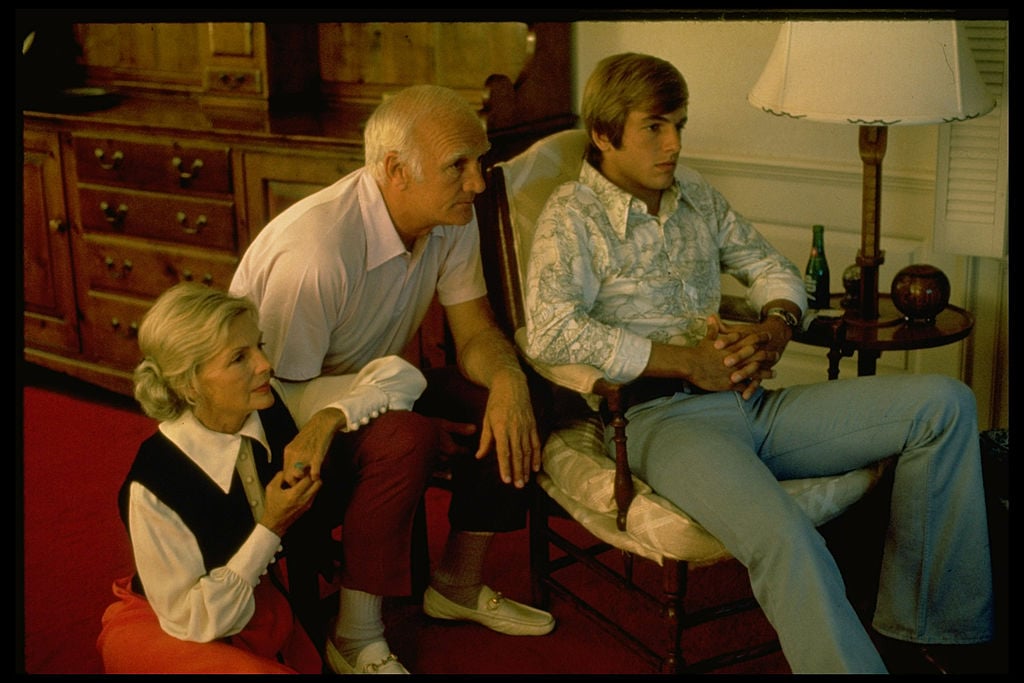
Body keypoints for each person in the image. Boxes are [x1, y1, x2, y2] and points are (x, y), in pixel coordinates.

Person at [522, 52, 994, 674]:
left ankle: (934, 631)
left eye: (680, 125)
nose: (674, 145)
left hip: (756, 404)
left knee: (945, 404)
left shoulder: (697, 199)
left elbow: (775, 270)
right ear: (605, 135)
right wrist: (685, 362)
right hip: (663, 423)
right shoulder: (572, 217)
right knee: (785, 537)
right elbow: (553, 329)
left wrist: (776, 328)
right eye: (656, 127)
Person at [229, 84, 554, 674]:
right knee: (408, 437)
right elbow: (278, 395)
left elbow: (475, 333)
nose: (479, 182)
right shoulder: (317, 252)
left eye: (478, 162)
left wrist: (507, 382)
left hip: (376, 384)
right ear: (395, 170)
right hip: (282, 419)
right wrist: (390, 397)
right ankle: (354, 636)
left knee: (512, 392)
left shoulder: (449, 216)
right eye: (459, 166)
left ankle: (456, 583)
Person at [96, 282, 427, 674]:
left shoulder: (272, 404)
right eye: (239, 357)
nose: (264, 365)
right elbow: (193, 621)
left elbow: (400, 377)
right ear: (189, 384)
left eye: (260, 346)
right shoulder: (152, 484)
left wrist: (327, 419)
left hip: (255, 608)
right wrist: (271, 525)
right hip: (170, 626)